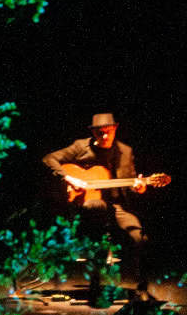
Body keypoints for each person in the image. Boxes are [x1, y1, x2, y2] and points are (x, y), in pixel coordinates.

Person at [42, 113, 151, 296]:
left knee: (139, 237)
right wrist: (69, 178)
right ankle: (96, 278)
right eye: (100, 133)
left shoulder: (125, 151)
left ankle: (141, 287)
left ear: (115, 129)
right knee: (95, 208)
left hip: (115, 206)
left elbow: (129, 184)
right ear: (93, 133)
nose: (105, 136)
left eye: (108, 132)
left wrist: (139, 188)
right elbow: (49, 159)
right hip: (87, 204)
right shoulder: (80, 147)